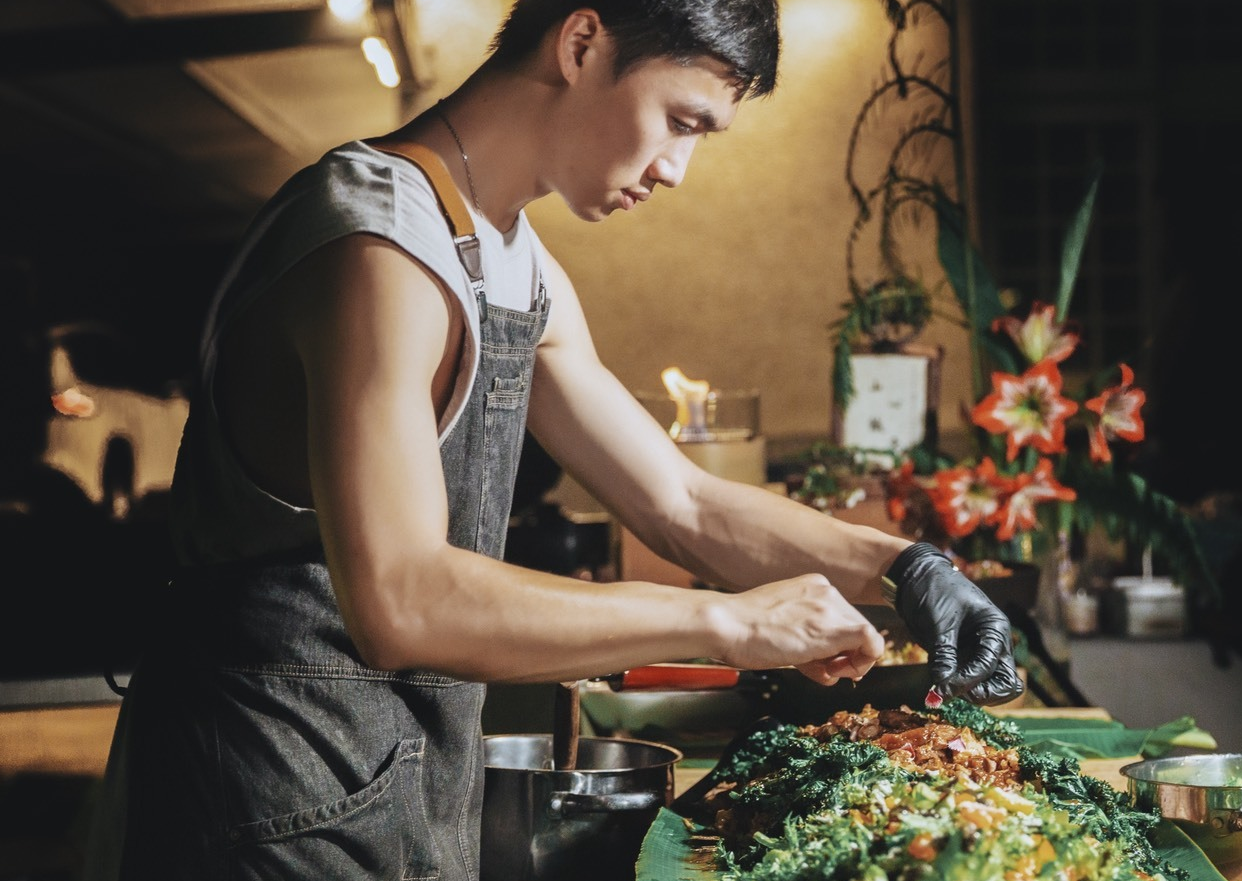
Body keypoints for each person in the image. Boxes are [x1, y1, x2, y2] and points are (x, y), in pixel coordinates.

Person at [87, 1, 1022, 877]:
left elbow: (682, 502)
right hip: (270, 788)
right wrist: (726, 623)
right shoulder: (376, 245)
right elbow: (402, 598)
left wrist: (905, 568)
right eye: (680, 121)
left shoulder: (514, 263)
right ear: (580, 44)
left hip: (390, 770)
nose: (676, 169)